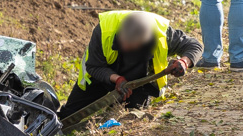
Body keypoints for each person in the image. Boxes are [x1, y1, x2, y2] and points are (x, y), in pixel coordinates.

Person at [59, 11, 203, 120]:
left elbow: (194, 45)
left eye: (131, 46)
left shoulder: (162, 35)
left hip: (136, 85)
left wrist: (184, 62)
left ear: (144, 40)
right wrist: (117, 79)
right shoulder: (103, 31)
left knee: (128, 119)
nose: (125, 47)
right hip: (99, 78)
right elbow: (94, 66)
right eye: (123, 42)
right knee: (67, 116)